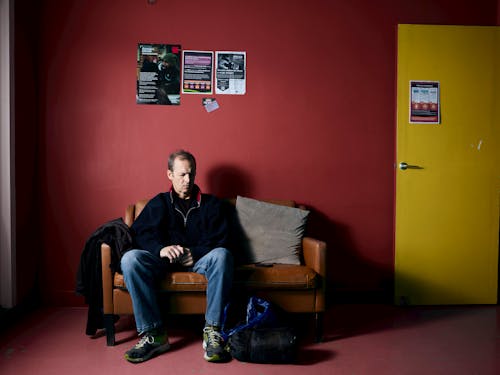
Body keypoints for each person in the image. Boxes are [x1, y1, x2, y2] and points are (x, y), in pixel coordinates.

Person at [120, 150, 233, 363]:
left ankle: (212, 333)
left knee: (222, 255)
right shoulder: (159, 203)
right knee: (130, 259)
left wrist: (196, 253)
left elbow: (224, 239)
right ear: (169, 175)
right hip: (162, 263)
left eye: (191, 174)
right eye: (182, 175)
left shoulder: (212, 205)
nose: (188, 180)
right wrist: (160, 249)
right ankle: (154, 335)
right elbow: (138, 234)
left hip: (199, 262)